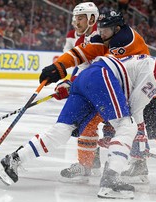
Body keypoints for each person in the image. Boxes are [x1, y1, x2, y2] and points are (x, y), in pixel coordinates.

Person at [0, 52, 156, 199]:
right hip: (104, 78)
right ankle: (110, 180)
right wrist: (131, 142)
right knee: (127, 127)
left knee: (62, 130)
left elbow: (124, 103)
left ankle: (13, 161)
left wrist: (116, 134)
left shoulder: (147, 62)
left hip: (86, 77)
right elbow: (132, 109)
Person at [56, 10, 150, 182]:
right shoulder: (103, 37)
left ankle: (139, 162)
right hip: (110, 85)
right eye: (100, 28)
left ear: (117, 28)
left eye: (105, 29)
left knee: (131, 121)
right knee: (89, 123)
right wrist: (66, 76)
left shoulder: (124, 40)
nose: (101, 32)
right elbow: (84, 60)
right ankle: (87, 164)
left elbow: (100, 67)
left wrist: (74, 84)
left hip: (130, 88)